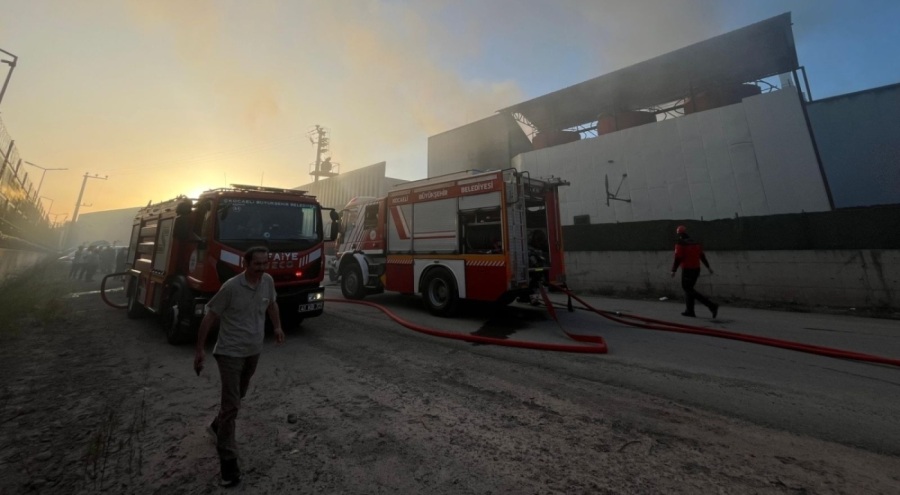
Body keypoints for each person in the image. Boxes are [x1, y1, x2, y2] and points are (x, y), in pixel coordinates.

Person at [193, 246, 285, 487]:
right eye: (257, 264)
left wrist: (277, 327)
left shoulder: (267, 282)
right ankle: (228, 464)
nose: (262, 268)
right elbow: (210, 316)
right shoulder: (231, 287)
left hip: (253, 351)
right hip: (229, 353)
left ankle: (216, 426)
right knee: (232, 405)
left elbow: (272, 305)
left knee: (238, 396)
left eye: (265, 264)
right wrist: (200, 349)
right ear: (246, 264)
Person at [670, 225, 719, 318]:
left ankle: (711, 305)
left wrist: (673, 270)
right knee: (689, 289)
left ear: (679, 234)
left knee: (687, 288)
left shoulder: (680, 243)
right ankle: (690, 311)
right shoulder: (695, 242)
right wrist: (708, 267)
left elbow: (678, 258)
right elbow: (702, 256)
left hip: (687, 269)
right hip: (696, 269)